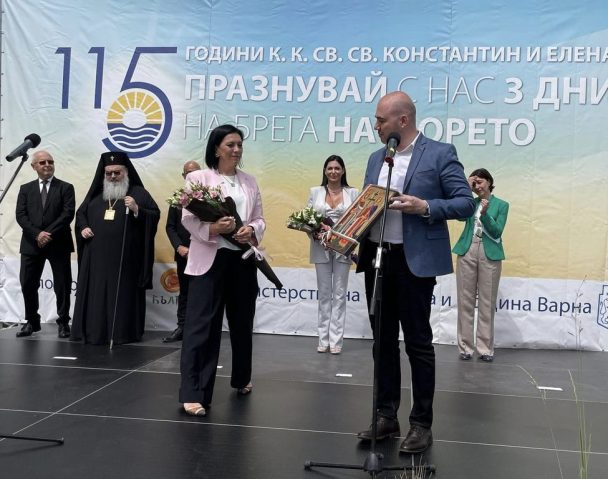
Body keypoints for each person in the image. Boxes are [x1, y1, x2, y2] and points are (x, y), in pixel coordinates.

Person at [355, 91, 475, 453]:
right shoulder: (377, 158)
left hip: (414, 262)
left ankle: (421, 424)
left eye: (381, 120)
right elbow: (367, 206)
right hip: (378, 259)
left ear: (403, 120)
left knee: (418, 343)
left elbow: (465, 203)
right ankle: (385, 415)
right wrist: (345, 233)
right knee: (382, 342)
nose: (376, 126)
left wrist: (425, 206)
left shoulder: (439, 153)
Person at [179, 124, 265, 417]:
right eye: (230, 145)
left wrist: (251, 229)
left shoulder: (249, 181)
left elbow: (259, 218)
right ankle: (194, 393)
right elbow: (188, 218)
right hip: (209, 260)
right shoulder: (198, 178)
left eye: (239, 144)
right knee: (202, 327)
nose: (237, 150)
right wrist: (213, 228)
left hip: (243, 260)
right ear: (216, 148)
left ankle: (242, 377)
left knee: (242, 323)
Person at [70, 152, 160, 345]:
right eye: (108, 173)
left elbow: (154, 215)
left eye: (117, 173)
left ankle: (122, 333)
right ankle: (95, 332)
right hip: (97, 260)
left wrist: (137, 209)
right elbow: (81, 214)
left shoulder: (138, 193)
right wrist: (83, 227)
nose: (112, 177)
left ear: (126, 172)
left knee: (122, 295)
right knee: (97, 295)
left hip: (125, 260)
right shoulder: (97, 194)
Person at [15, 150, 75, 338]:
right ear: (34, 166)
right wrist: (37, 234)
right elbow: (21, 216)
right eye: (42, 162)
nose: (47, 164)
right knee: (27, 283)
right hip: (31, 243)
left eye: (50, 161)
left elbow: (67, 214)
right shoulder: (25, 189)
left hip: (58, 243)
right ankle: (31, 321)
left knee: (62, 285)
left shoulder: (66, 187)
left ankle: (63, 322)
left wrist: (47, 234)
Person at [452, 168, 509, 362]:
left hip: (489, 252)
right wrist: (466, 188)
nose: (477, 186)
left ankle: (485, 349)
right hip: (467, 250)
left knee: (487, 302)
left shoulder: (502, 205)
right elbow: (459, 214)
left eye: (480, 181)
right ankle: (465, 348)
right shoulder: (470, 203)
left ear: (489, 182)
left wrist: (484, 214)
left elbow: (497, 231)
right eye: (474, 183)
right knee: (465, 301)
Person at [307, 155, 359, 354]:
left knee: (339, 294)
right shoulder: (315, 191)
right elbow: (308, 220)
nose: (333, 172)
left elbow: (359, 220)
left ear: (343, 171)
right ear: (325, 171)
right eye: (330, 168)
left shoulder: (352, 192)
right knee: (324, 294)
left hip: (343, 250)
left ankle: (336, 341)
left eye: (337, 168)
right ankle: (323, 339)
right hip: (320, 248)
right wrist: (317, 233)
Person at [163, 160, 202, 343]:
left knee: (204, 292)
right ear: (183, 176)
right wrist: (179, 246)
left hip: (205, 254)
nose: (191, 176)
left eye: (195, 172)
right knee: (185, 292)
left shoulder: (210, 197)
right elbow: (170, 227)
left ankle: (200, 329)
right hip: (184, 255)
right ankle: (182, 327)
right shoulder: (177, 198)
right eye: (188, 173)